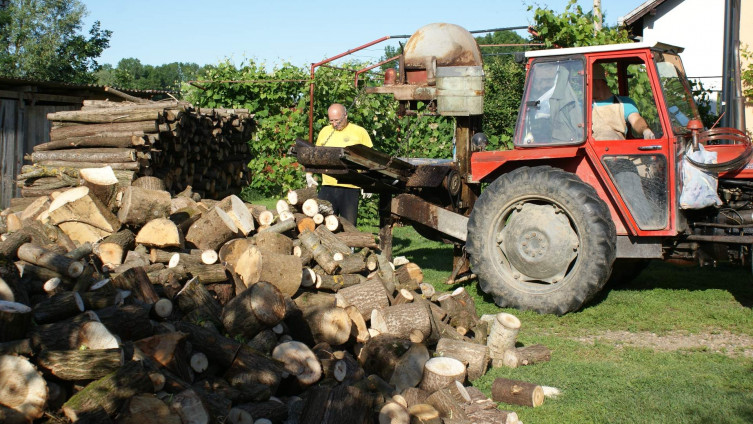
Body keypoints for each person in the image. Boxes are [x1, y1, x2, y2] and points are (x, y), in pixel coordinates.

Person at [305, 103, 373, 225]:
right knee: (323, 222)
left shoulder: (359, 132)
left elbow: (369, 159)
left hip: (350, 187)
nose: (334, 124)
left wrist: (367, 182)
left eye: (337, 120)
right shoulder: (325, 132)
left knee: (349, 224)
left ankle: (350, 244)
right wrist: (309, 174)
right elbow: (316, 156)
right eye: (331, 121)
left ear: (345, 115)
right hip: (328, 185)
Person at [592, 63, 656, 141]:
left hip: (618, 150)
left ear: (597, 82)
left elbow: (636, 120)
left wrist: (645, 130)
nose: (585, 89)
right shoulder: (585, 106)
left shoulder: (624, 103)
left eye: (587, 84)